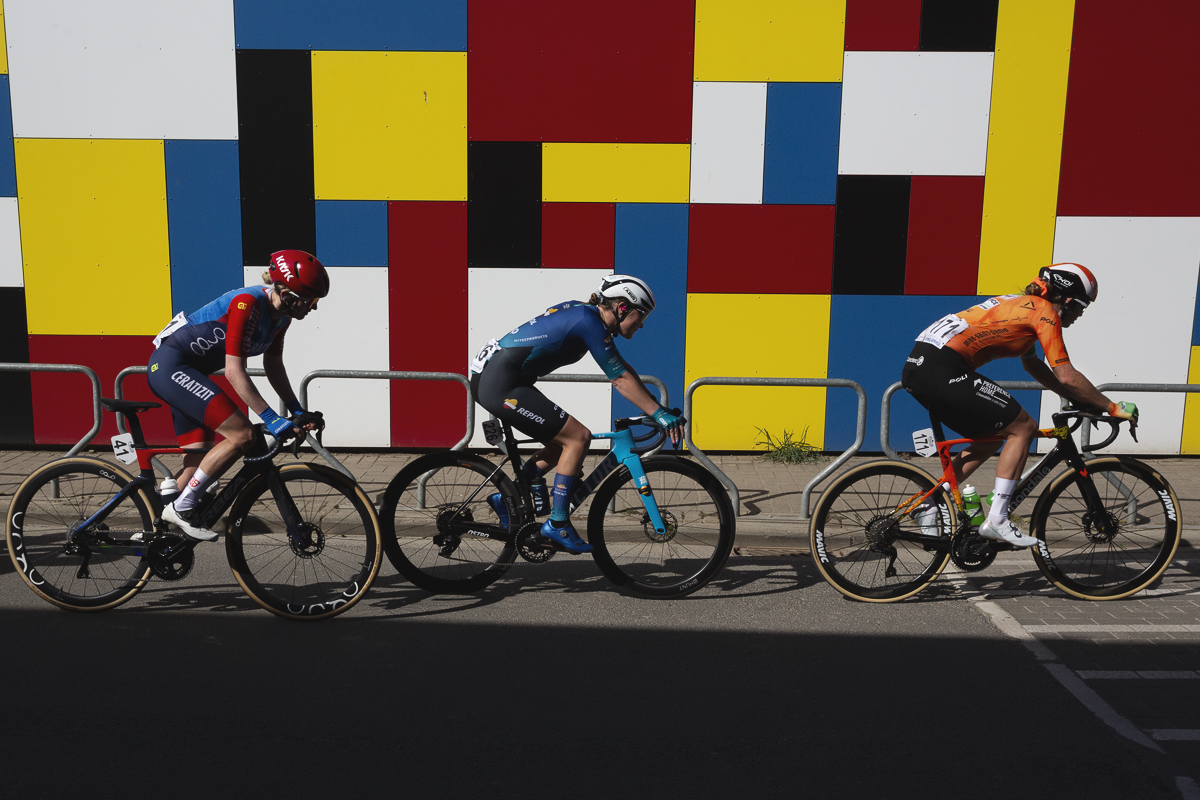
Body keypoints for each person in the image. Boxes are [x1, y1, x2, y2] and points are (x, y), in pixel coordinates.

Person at [901, 263, 1138, 547]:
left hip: (920, 369)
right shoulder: (1044, 312)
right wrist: (1111, 406)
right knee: (1023, 428)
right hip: (944, 370)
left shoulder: (1021, 306)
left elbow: (1033, 366)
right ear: (1067, 300)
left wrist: (1076, 398)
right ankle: (998, 519)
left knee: (989, 440)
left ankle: (927, 503)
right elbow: (1067, 374)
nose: (1080, 315)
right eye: (1081, 308)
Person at [469, 274, 683, 554]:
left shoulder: (583, 312)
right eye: (640, 315)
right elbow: (618, 378)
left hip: (501, 379)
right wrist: (661, 415)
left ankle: (507, 497)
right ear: (621, 307)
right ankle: (558, 524)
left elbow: (622, 368)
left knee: (564, 441)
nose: (641, 324)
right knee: (578, 438)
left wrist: (657, 407)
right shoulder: (588, 322)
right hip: (500, 385)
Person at [146, 249, 329, 542]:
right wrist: (270, 418)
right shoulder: (248, 304)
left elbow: (273, 365)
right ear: (288, 294)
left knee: (196, 469)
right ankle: (181, 510)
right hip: (172, 367)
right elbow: (234, 371)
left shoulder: (282, 317)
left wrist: (295, 410)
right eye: (310, 300)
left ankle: (151, 539)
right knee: (242, 435)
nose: (314, 307)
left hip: (190, 373)